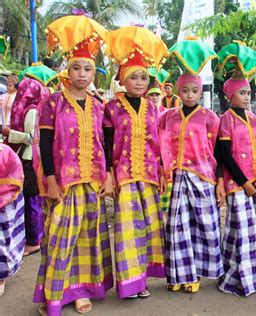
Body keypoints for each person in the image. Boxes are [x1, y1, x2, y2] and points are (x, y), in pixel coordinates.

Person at [33, 32, 114, 315]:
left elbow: (104, 143)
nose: (82, 74)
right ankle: (55, 295)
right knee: (59, 239)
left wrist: (108, 175)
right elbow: (45, 144)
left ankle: (80, 291)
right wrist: (51, 181)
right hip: (63, 185)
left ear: (95, 73)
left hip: (91, 182)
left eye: (88, 69)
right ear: (67, 70)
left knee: (86, 240)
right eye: (77, 68)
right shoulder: (53, 102)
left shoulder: (97, 105)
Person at [104, 26, 167, 299]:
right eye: (134, 77)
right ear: (122, 80)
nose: (140, 82)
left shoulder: (155, 109)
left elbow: (159, 142)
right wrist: (109, 173)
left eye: (144, 77)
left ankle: (142, 280)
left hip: (151, 175)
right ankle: (129, 283)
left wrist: (163, 170)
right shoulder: (112, 108)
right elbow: (106, 144)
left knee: (149, 227)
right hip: (125, 176)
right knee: (128, 229)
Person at [159, 72, 225, 293]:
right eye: (185, 90)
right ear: (178, 91)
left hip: (203, 177)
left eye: (194, 90)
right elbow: (159, 143)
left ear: (200, 92)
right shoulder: (168, 116)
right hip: (177, 177)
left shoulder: (210, 117)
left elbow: (219, 150)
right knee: (177, 225)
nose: (189, 95)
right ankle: (179, 274)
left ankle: (196, 273)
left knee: (203, 225)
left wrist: (220, 181)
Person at [217, 77, 256, 296]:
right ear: (230, 96)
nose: (247, 97)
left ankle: (231, 274)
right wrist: (245, 182)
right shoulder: (226, 120)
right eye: (242, 93)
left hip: (253, 183)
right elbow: (226, 156)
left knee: (237, 230)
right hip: (236, 183)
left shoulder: (253, 118)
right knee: (243, 231)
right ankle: (241, 280)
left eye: (248, 93)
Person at [2, 67, 55, 257]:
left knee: (32, 200)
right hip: (29, 158)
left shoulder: (32, 110)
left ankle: (34, 241)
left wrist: (7, 133)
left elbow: (31, 137)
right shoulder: (33, 108)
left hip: (29, 159)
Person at [0, 143, 25, 297]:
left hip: (4, 204)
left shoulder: (5, 152)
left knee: (2, 242)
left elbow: (14, 179)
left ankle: (1, 277)